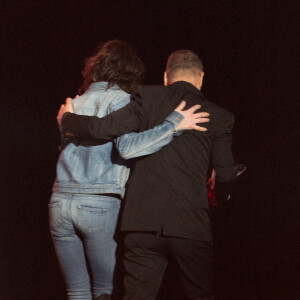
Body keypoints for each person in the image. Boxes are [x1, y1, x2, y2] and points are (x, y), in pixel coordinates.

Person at [58, 49, 236, 299]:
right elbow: (226, 175)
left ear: (166, 76)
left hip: (141, 223)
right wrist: (220, 193)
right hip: (190, 225)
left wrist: (67, 119)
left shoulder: (147, 97)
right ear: (201, 77)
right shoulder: (219, 116)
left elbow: (100, 129)